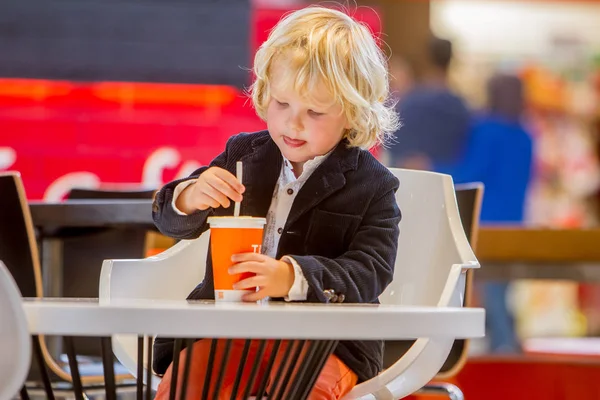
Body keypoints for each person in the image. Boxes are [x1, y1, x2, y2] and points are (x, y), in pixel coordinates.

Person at [150, 6, 401, 399]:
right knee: (185, 386)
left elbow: (370, 273)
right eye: (282, 103)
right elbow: (169, 220)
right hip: (227, 331)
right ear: (266, 92)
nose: (292, 123)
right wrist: (190, 195)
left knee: (304, 390)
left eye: (314, 112)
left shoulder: (373, 184)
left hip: (324, 343)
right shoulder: (243, 155)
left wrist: (292, 277)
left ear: (352, 114)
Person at [446, 73, 533, 352]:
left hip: (486, 220)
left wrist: (433, 167)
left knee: (491, 295)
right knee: (502, 292)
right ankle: (509, 346)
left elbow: (470, 173)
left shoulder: (485, 129)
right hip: (516, 221)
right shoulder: (526, 134)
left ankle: (505, 350)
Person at [388, 36, 471, 171]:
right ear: (451, 60)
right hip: (448, 181)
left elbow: (394, 144)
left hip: (412, 178)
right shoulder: (460, 106)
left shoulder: (411, 101)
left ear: (427, 59)